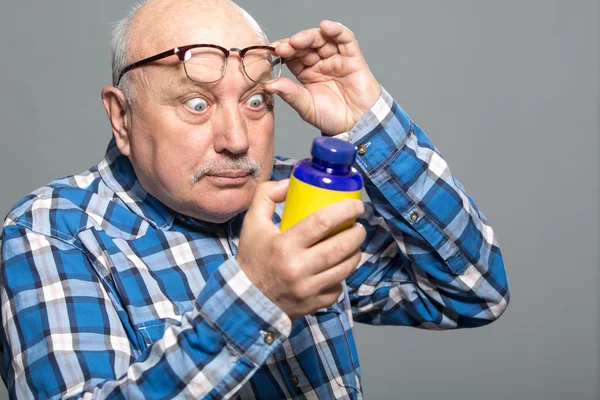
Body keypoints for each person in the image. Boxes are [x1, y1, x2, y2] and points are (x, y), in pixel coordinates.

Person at [0, 0, 509, 398]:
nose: (237, 140)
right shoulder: (54, 232)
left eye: (256, 101)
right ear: (122, 117)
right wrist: (255, 299)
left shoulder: (299, 199)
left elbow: (473, 291)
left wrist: (366, 122)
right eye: (195, 104)